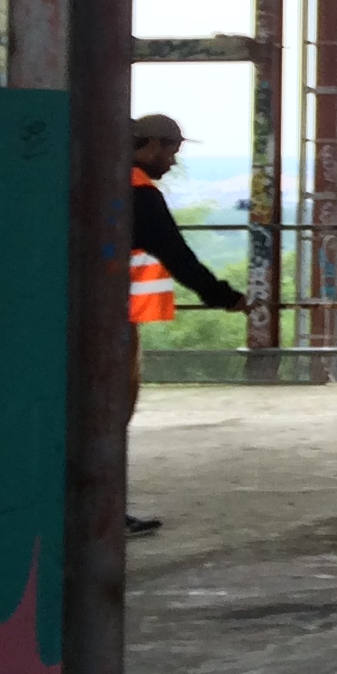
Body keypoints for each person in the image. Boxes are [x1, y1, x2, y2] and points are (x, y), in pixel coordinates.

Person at [127, 116, 247, 535]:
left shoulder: (97, 179)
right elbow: (177, 256)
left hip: (90, 314)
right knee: (108, 411)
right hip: (108, 321)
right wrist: (225, 296)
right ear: (152, 145)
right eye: (172, 151)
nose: (173, 161)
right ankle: (100, 508)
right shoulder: (139, 194)